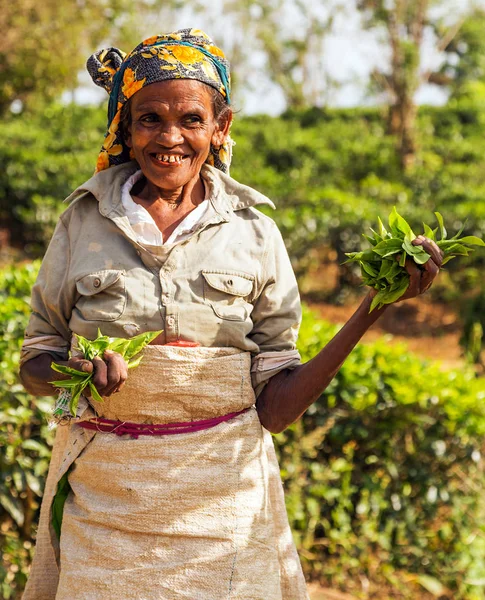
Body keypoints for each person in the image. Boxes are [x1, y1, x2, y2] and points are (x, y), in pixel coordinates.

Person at [19, 29, 442, 600]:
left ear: (220, 127)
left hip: (223, 509)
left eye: (191, 120)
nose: (170, 138)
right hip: (106, 504)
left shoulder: (255, 232)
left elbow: (276, 408)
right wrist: (81, 368)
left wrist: (372, 308)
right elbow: (34, 361)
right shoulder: (82, 224)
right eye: (148, 119)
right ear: (124, 126)